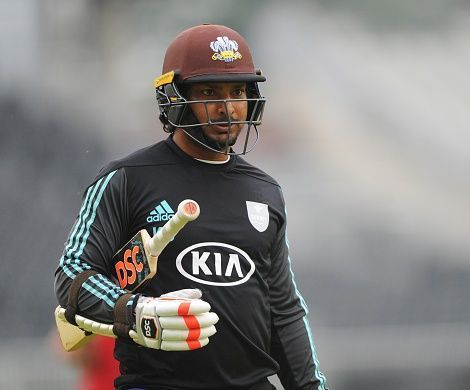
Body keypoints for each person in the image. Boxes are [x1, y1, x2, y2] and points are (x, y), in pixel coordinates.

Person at [54, 24, 328, 390]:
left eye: (237, 91)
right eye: (209, 91)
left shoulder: (265, 191)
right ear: (174, 96)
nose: (227, 107)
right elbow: (72, 274)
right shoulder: (126, 179)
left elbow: (284, 310)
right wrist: (137, 313)